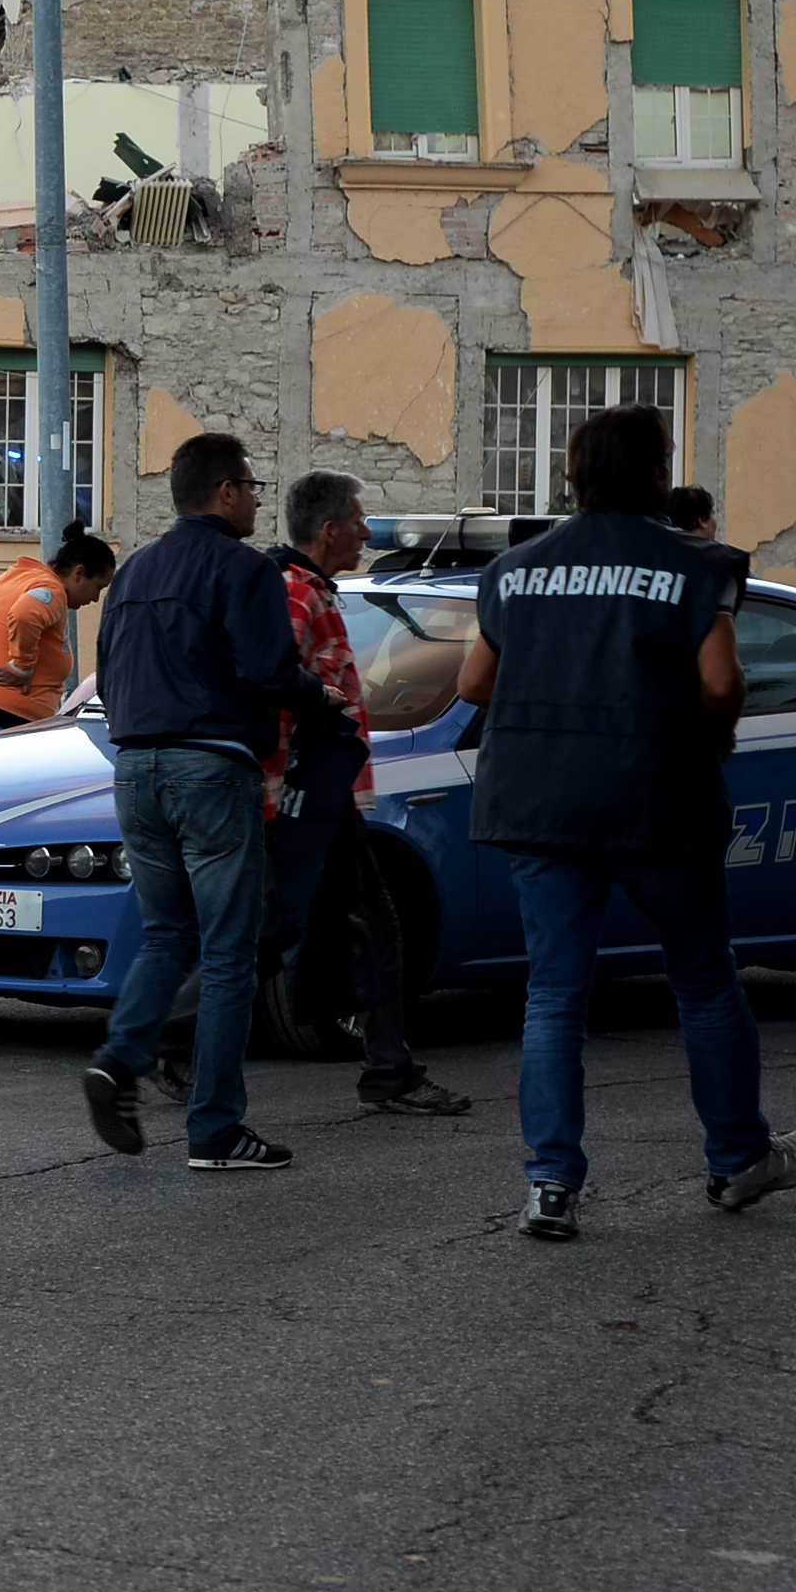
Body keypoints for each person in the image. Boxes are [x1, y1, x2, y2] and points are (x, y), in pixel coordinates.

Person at [456, 403, 796, 1241]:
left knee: (553, 994)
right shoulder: (695, 565)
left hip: (540, 803)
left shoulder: (515, 570)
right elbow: (724, 684)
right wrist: (716, 739)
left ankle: (551, 1186)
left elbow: (475, 685)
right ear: (659, 474)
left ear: (574, 478)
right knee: (702, 979)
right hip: (659, 796)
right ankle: (738, 1160)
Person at [81, 431, 331, 1170]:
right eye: (252, 485)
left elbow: (108, 675)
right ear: (225, 491)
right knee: (228, 954)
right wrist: (322, 697)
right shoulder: (244, 568)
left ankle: (119, 1062)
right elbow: (267, 670)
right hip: (212, 769)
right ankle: (215, 1129)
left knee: (167, 936)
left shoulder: (132, 573)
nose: (258, 498)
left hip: (134, 769)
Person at [264, 468, 469, 1119]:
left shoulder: (310, 587)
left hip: (325, 795)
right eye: (357, 520)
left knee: (308, 929)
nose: (365, 531)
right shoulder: (296, 593)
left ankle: (152, 1039)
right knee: (329, 929)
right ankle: (149, 1039)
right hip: (313, 796)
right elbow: (276, 691)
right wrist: (287, 789)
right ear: (327, 531)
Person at [0, 524, 117, 745]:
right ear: (79, 574)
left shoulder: (21, 578)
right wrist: (21, 666)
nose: (96, 598)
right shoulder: (53, 590)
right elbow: (25, 614)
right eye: (99, 587)